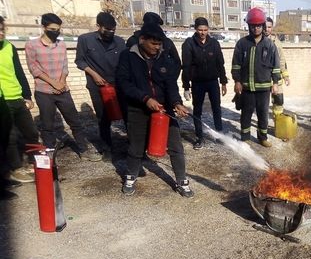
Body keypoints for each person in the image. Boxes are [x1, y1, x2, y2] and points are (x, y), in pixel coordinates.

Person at [116, 23, 193, 197]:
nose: (157, 47)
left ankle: (181, 180)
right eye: (154, 43)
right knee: (136, 147)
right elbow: (123, 84)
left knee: (175, 146)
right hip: (138, 109)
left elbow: (170, 84)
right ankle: (130, 177)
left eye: (159, 44)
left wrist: (177, 103)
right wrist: (145, 99)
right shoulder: (127, 57)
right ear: (142, 39)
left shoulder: (163, 58)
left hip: (164, 110)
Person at [25, 13, 102, 161]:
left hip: (63, 90)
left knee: (75, 121)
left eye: (58, 29)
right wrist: (53, 83)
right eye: (52, 29)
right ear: (44, 27)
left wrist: (61, 81)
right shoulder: (32, 45)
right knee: (47, 125)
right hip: (44, 91)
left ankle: (83, 149)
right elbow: (33, 68)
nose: (56, 32)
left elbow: (65, 66)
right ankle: (49, 153)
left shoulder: (61, 44)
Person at [75, 12, 126, 157]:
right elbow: (80, 61)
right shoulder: (85, 40)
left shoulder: (120, 42)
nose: (110, 32)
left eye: (113, 30)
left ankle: (134, 145)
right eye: (107, 29)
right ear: (98, 26)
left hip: (117, 84)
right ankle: (107, 147)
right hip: (97, 85)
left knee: (127, 114)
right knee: (103, 117)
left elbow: (124, 62)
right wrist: (94, 74)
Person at [231, 8, 281, 147]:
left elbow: (276, 66)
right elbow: (236, 65)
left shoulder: (270, 45)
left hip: (264, 88)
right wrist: (237, 81)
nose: (256, 28)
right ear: (249, 26)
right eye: (253, 25)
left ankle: (262, 137)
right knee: (246, 114)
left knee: (263, 114)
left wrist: (275, 83)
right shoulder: (242, 44)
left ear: (263, 26)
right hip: (246, 87)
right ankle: (245, 136)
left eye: (259, 25)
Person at [0, 16, 39, 183]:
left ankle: (34, 162)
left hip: (16, 96)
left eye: (3, 29)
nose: (1, 33)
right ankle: (15, 168)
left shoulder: (9, 47)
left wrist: (27, 95)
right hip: (2, 100)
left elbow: (19, 72)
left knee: (31, 132)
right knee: (10, 136)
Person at [181, 17, 227, 149]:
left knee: (216, 108)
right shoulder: (189, 44)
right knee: (198, 110)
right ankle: (199, 137)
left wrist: (223, 82)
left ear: (208, 29)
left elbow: (220, 63)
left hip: (212, 81)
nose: (203, 32)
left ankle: (219, 134)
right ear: (196, 29)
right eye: (200, 30)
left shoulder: (214, 43)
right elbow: (186, 66)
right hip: (197, 83)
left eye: (205, 30)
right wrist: (186, 87)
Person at [265, 17, 290, 116]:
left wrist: (286, 76)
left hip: (277, 79)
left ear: (272, 28)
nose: (267, 29)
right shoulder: (258, 42)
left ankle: (278, 126)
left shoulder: (277, 43)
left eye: (269, 27)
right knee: (262, 105)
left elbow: (282, 60)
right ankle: (262, 126)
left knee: (279, 102)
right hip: (263, 80)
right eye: (265, 27)